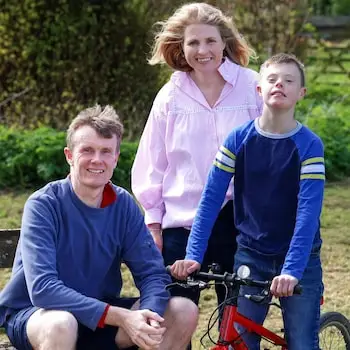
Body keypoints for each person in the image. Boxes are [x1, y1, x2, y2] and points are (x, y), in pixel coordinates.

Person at [0, 105, 198, 350]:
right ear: (69, 155)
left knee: (182, 311)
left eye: (106, 151)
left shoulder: (123, 204)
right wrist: (122, 317)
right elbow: (43, 289)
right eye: (87, 150)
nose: (97, 160)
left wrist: (147, 314)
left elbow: (152, 273)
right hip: (39, 316)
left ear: (115, 158)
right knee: (62, 323)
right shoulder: (44, 205)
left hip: (100, 314)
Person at [171, 53, 325, 349]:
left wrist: (291, 270)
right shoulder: (237, 138)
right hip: (251, 253)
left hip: (299, 259)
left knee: (302, 342)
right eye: (272, 79)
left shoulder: (309, 145)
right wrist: (193, 254)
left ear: (300, 94)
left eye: (289, 80)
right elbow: (210, 199)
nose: (280, 84)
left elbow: (308, 214)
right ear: (259, 90)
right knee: (238, 340)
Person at [131, 2, 262, 312]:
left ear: (224, 43)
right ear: (181, 46)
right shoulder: (170, 95)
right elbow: (152, 163)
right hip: (182, 224)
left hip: (239, 221)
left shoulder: (251, 86)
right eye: (193, 42)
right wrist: (153, 225)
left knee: (236, 317)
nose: (203, 50)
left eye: (210, 41)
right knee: (176, 314)